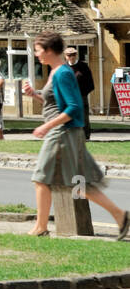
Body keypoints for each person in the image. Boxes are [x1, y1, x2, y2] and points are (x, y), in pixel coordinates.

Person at [22, 32, 130, 239]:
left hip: (62, 133)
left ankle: (40, 227)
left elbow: (73, 107)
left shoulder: (62, 73)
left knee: (41, 178)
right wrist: (35, 95)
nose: (36, 55)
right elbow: (55, 104)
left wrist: (46, 127)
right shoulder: (56, 72)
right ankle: (120, 216)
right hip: (65, 132)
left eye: (38, 50)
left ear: (49, 50)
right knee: (79, 184)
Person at [66, 47, 95, 141]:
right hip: (68, 97)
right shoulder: (64, 67)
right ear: (66, 56)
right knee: (68, 116)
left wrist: (83, 94)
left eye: (73, 55)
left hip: (81, 96)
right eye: (69, 55)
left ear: (76, 55)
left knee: (83, 116)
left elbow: (90, 84)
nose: (71, 57)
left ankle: (86, 136)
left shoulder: (83, 66)